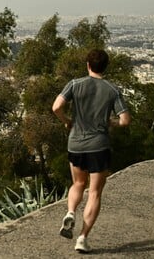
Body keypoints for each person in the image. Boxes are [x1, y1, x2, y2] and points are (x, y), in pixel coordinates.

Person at [52, 49, 131, 253]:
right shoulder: (112, 90)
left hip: (76, 143)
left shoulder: (75, 84)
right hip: (99, 146)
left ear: (88, 64)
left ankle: (70, 212)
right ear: (105, 66)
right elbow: (125, 120)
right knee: (94, 192)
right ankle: (82, 238)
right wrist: (110, 123)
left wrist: (67, 121)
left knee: (78, 183)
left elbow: (56, 107)